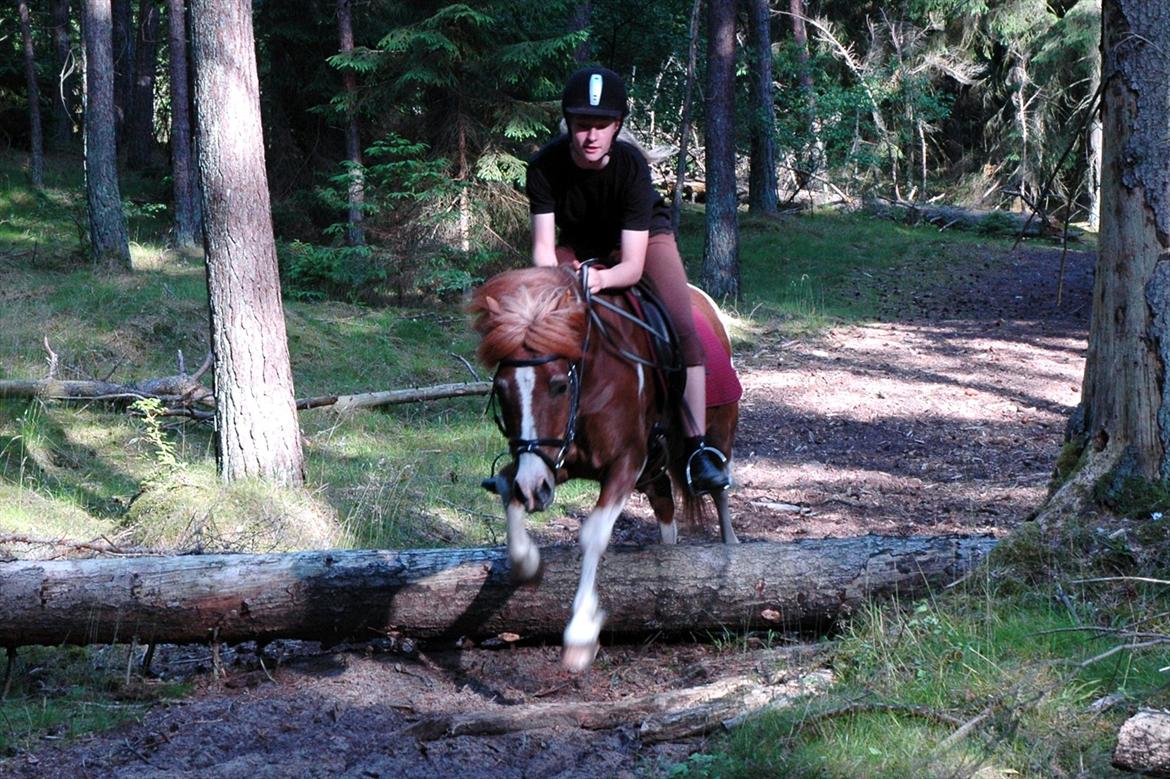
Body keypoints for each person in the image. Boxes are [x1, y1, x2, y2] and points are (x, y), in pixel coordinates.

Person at [525, 65, 729, 494]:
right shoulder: (544, 165)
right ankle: (533, 443)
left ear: (617, 126)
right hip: (578, 244)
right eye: (582, 125)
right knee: (536, 320)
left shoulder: (632, 166)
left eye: (602, 125)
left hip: (641, 242)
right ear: (569, 124)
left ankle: (696, 450)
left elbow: (631, 268)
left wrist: (595, 284)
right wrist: (558, 286)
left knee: (682, 327)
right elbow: (544, 250)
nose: (591, 136)